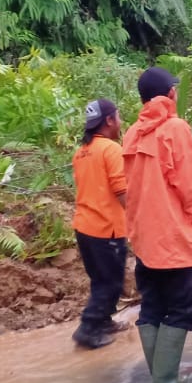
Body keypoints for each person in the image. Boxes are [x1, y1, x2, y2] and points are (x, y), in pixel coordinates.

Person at [122, 66, 192, 383]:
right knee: (183, 309)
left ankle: (165, 381)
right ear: (171, 94)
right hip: (173, 239)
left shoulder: (131, 134)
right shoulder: (174, 130)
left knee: (153, 308)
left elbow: (126, 190)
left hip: (144, 239)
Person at [70, 98, 129, 350]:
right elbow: (120, 189)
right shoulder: (111, 149)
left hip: (84, 226)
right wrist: (138, 217)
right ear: (108, 120)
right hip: (106, 228)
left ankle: (104, 320)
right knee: (110, 282)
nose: (121, 121)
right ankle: (88, 328)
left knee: (100, 279)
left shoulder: (81, 151)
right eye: (118, 116)